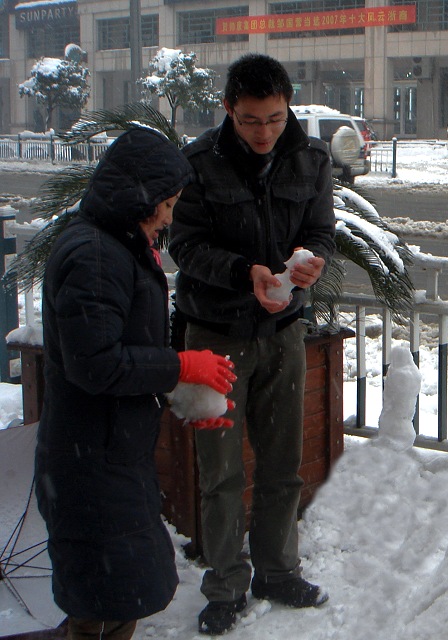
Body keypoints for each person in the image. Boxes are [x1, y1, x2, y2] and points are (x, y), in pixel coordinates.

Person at [35, 127, 237, 640]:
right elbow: (97, 364)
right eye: (165, 204)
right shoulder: (95, 257)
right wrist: (180, 367)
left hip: (109, 455)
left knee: (117, 593)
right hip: (91, 465)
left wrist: (184, 398)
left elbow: (122, 356)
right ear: (138, 196)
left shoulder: (115, 247)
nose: (169, 218)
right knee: (105, 597)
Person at [168, 53, 336, 635]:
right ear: (227, 110)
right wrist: (247, 273)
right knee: (219, 473)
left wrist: (310, 262)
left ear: (288, 105)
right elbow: (184, 248)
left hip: (284, 333)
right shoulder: (196, 164)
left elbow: (320, 228)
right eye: (248, 120)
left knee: (283, 464)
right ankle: (225, 584)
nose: (263, 132)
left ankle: (277, 569)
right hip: (212, 339)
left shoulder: (310, 158)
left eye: (272, 118)